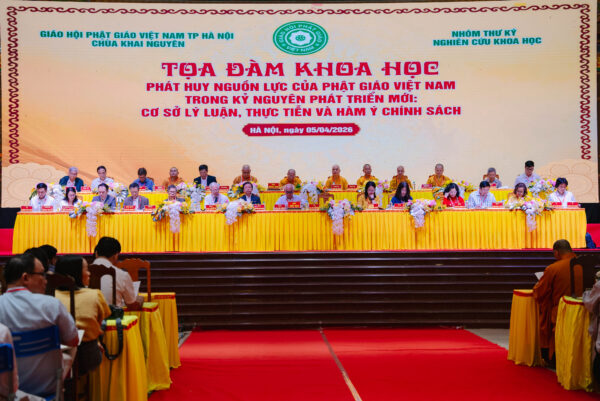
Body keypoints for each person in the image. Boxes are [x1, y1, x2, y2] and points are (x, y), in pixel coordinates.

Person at [0, 254, 78, 397]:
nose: (46, 280)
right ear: (25, 278)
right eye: (42, 274)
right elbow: (72, 340)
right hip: (49, 393)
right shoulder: (52, 305)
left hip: (9, 396)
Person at [54, 255, 111, 375]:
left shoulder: (50, 295)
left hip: (54, 356)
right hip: (87, 356)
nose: (89, 273)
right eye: (86, 269)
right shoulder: (94, 294)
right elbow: (102, 319)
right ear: (76, 274)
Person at [533, 240, 578, 363]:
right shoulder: (584, 265)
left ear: (556, 252)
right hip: (583, 309)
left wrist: (536, 287)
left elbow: (540, 292)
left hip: (560, 310)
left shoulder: (553, 268)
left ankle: (554, 358)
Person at [92, 237, 143, 309]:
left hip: (87, 315)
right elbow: (132, 305)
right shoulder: (121, 275)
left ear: (96, 253)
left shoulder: (84, 273)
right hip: (112, 316)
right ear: (116, 256)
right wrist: (140, 300)